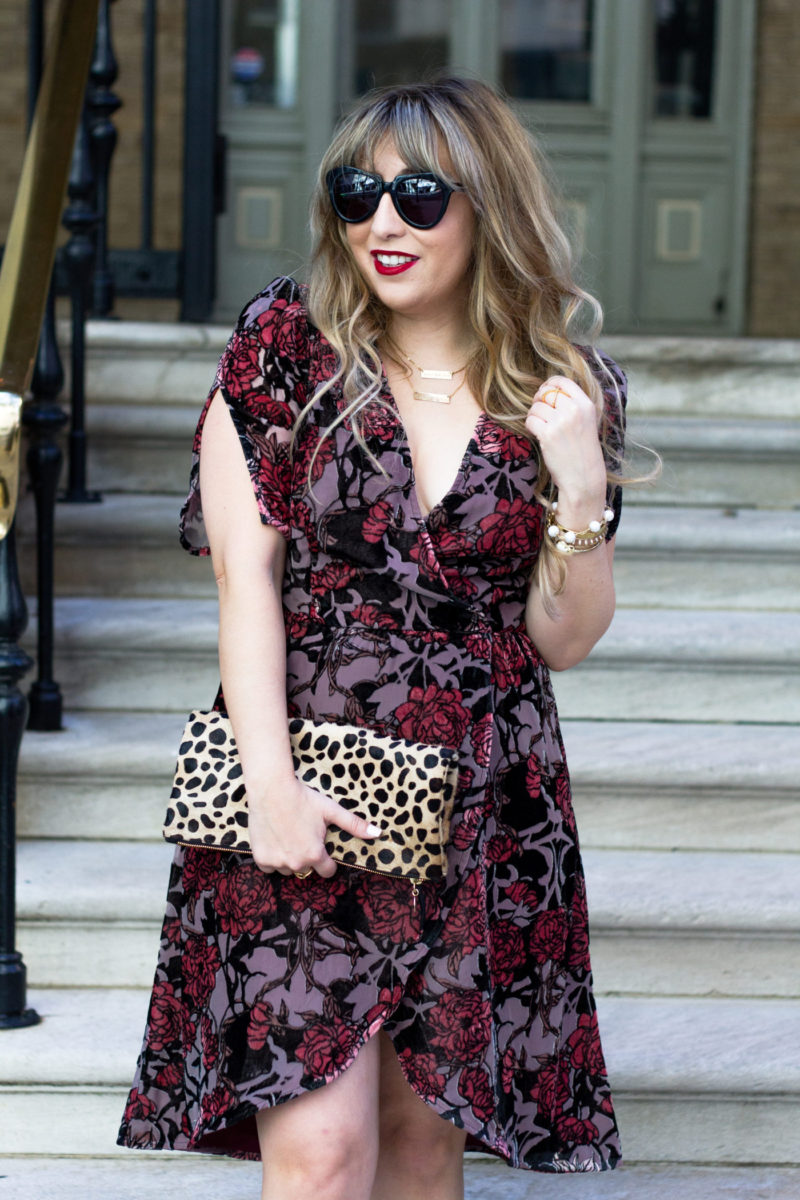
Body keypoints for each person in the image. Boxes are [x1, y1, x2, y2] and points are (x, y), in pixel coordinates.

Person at [118, 76, 627, 1199]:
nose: (381, 223)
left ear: (487, 205)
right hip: (304, 771)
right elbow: (244, 583)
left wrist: (577, 475)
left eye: (417, 195)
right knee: (317, 1153)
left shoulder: (557, 390)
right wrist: (269, 790)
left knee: (418, 1142)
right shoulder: (284, 352)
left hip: (483, 798)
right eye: (358, 193)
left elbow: (563, 634)